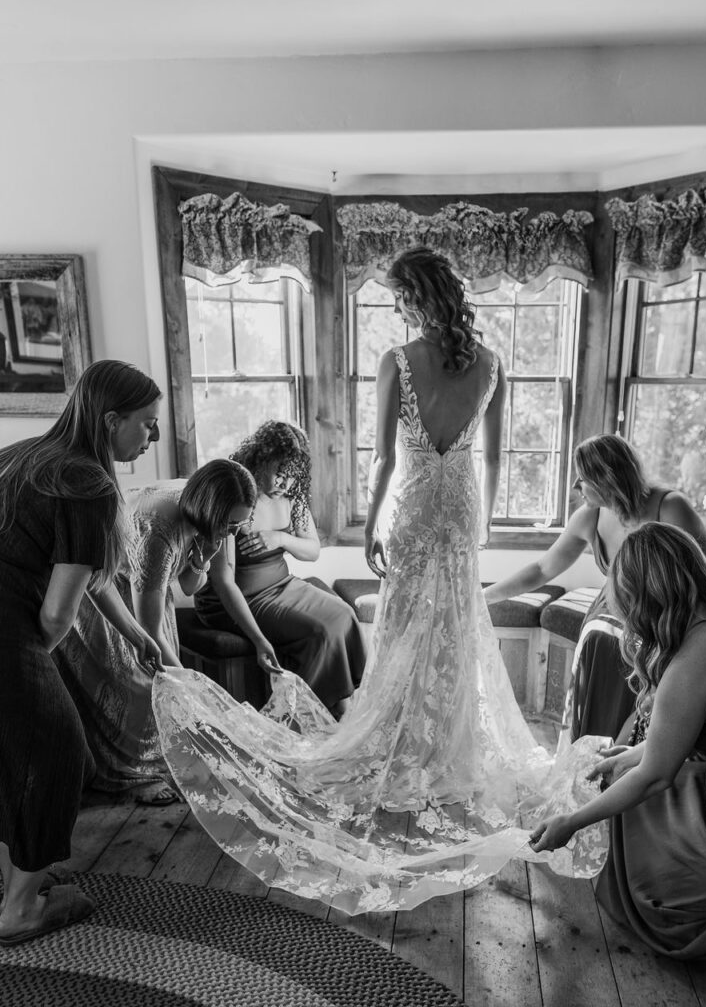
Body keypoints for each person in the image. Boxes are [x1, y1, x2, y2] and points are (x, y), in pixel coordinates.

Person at [151, 246, 608, 915]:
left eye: (398, 299)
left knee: (404, 629)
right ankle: (445, 746)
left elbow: (385, 457)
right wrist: (473, 522)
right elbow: (491, 456)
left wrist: (370, 525)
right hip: (459, 508)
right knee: (453, 628)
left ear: (417, 299)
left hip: (418, 502)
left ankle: (404, 742)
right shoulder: (491, 365)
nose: (396, 309)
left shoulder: (396, 360)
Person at [530, 522, 706, 971]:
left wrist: (571, 821)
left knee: (653, 901)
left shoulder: (692, 664)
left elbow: (657, 776)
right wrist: (629, 756)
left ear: (646, 599)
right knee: (629, 796)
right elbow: (672, 749)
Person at [0, 360, 163, 945]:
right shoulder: (88, 484)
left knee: (11, 754)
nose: (152, 437)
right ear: (111, 419)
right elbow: (56, 615)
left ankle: (18, 877)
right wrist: (32, 664)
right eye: (146, 425)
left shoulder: (28, 455)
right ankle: (19, 911)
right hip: (7, 625)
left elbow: (91, 579)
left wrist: (136, 635)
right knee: (61, 753)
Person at [484, 433, 706, 742]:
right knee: (598, 638)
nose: (575, 487)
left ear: (607, 478)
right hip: (613, 611)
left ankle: (633, 754)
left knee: (639, 653)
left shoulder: (670, 508)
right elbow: (542, 569)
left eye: (582, 479)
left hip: (668, 614)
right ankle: (589, 751)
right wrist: (484, 596)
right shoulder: (589, 517)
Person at [53, 458, 257, 805]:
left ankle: (155, 764)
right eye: (231, 524)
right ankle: (128, 777)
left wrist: (204, 554)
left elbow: (192, 586)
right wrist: (194, 686)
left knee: (160, 684)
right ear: (211, 510)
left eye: (241, 523)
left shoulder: (212, 519)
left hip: (149, 590)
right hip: (107, 588)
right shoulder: (158, 526)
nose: (235, 531)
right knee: (133, 682)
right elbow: (149, 633)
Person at [194, 420, 366, 718]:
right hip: (237, 597)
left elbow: (312, 550)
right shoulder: (235, 496)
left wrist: (281, 538)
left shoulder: (291, 497)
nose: (285, 484)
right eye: (279, 474)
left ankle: (334, 708)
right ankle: (298, 717)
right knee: (321, 630)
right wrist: (260, 640)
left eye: (291, 476)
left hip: (282, 585)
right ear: (261, 459)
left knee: (344, 615)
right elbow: (224, 581)